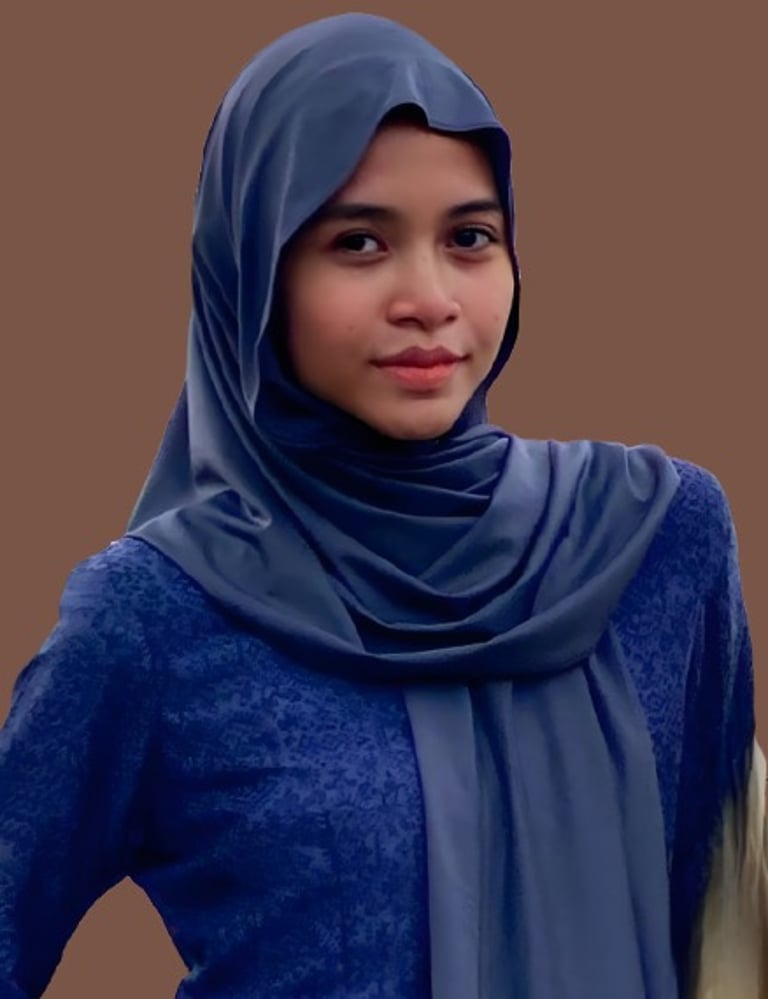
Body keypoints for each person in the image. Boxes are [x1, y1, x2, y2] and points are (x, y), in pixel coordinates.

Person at [1, 12, 765, 999]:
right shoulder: (157, 612)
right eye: (358, 241)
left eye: (471, 238)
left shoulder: (651, 540)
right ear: (254, 273)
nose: (429, 297)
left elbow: (721, 916)